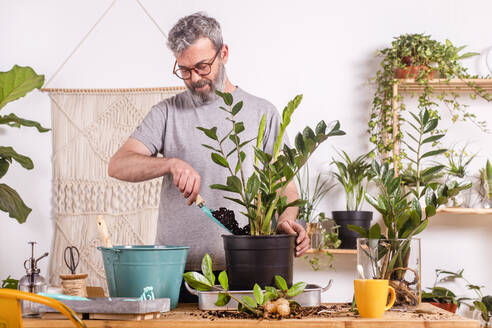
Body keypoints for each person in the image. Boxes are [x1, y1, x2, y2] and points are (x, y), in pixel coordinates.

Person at [108, 12, 309, 290]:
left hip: (248, 267)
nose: (194, 78)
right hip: (177, 273)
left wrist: (287, 221)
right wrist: (170, 164)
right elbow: (118, 165)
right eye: (185, 70)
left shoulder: (263, 113)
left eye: (203, 66)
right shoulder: (167, 113)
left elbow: (287, 188)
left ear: (223, 53)